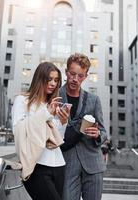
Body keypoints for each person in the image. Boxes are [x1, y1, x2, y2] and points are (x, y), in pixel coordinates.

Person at [12, 62, 70, 200]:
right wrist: (46, 113)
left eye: (56, 80)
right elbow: (18, 131)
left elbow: (55, 140)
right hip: (36, 165)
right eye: (49, 79)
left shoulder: (51, 105)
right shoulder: (22, 100)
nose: (53, 84)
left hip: (58, 165)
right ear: (39, 78)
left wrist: (63, 122)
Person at [59, 53, 108, 200]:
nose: (75, 79)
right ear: (66, 72)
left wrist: (98, 134)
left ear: (85, 76)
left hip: (93, 164)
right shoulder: (55, 97)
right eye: (72, 74)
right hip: (67, 165)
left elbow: (104, 132)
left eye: (80, 76)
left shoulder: (94, 100)